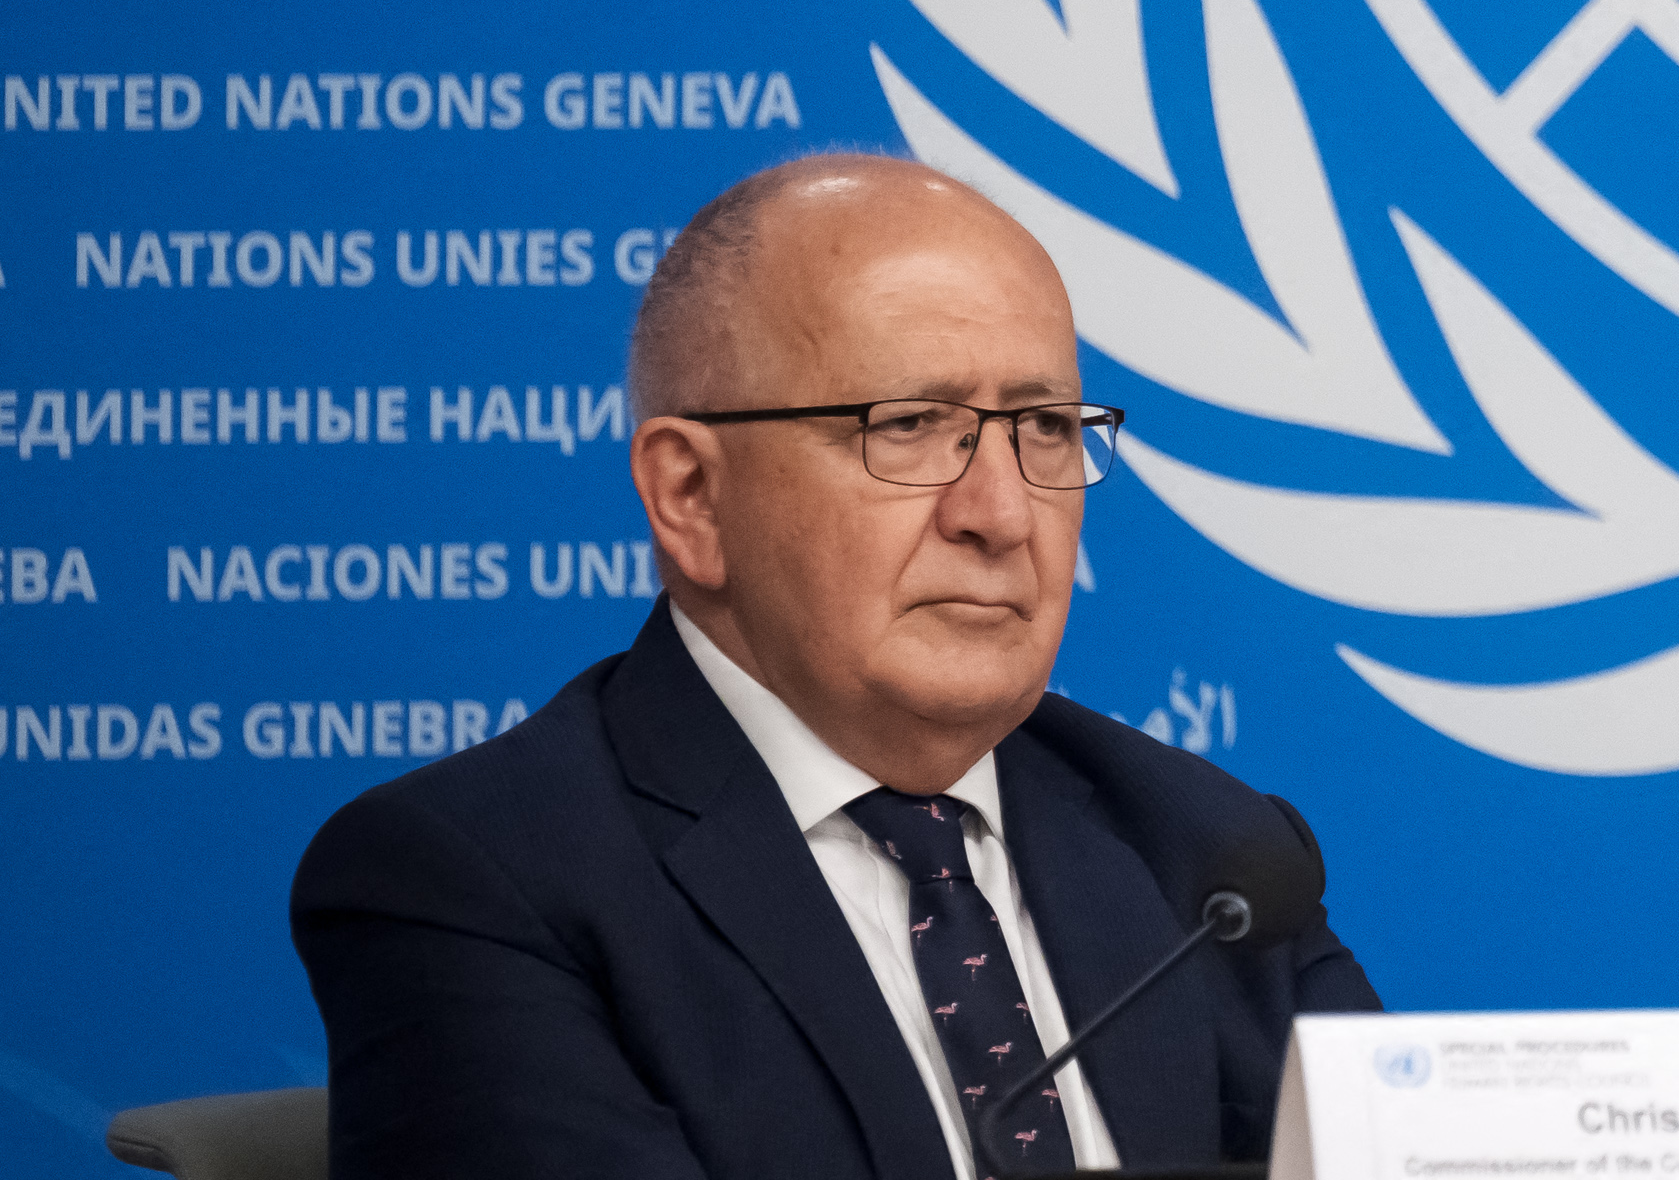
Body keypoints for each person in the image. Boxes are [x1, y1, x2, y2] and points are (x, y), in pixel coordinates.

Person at [294, 154, 1381, 1178]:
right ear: (691, 498)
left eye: (1045, 428)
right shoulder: (482, 884)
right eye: (909, 426)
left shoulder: (1209, 858)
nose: (1001, 514)